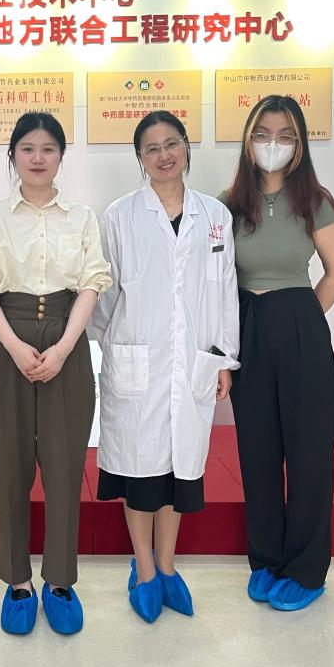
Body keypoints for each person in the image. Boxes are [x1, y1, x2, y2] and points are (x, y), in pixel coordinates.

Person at [0, 111, 112, 635]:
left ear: (61, 157)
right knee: (9, 467)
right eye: (27, 148)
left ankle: (61, 581)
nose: (38, 158)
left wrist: (66, 347)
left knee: (66, 468)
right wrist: (11, 345)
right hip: (8, 340)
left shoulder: (82, 218)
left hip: (67, 342)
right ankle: (18, 582)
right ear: (13, 157)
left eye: (48, 149)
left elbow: (92, 282)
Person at [91, 110, 239, 623]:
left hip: (194, 361)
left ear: (186, 148)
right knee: (140, 472)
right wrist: (119, 346)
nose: (163, 155)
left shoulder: (214, 216)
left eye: (171, 143)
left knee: (179, 473)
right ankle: (144, 569)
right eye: (151, 148)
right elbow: (104, 296)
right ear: (140, 158)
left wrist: (223, 358)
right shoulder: (119, 216)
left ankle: (169, 566)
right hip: (137, 359)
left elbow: (224, 290)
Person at [218, 94, 334, 612]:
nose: (271, 144)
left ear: (299, 145)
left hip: (300, 326)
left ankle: (306, 570)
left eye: (284, 136)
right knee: (257, 454)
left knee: (309, 454)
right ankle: (266, 559)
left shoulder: (312, 200)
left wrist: (302, 318)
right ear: (248, 140)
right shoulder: (228, 204)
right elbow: (214, 278)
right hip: (246, 328)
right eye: (262, 134)